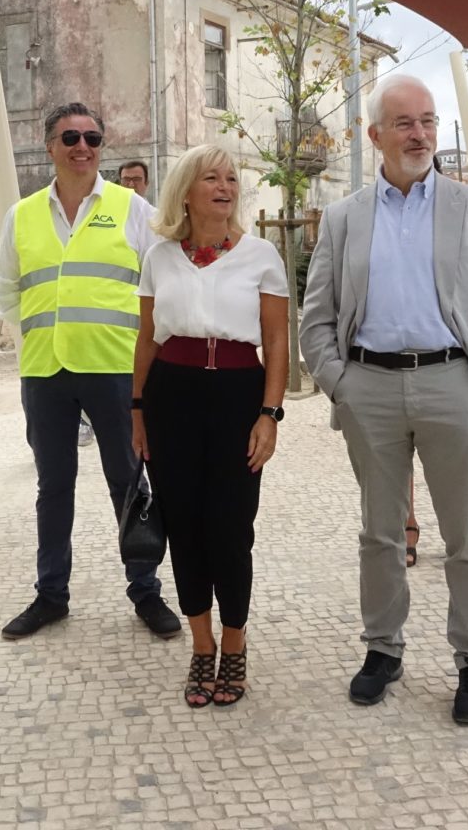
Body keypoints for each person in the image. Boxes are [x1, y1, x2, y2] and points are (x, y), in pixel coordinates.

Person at [301, 74, 468, 726]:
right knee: (378, 533)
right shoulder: (342, 219)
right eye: (405, 123)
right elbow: (318, 317)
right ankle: (382, 648)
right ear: (374, 137)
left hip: (453, 383)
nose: (420, 134)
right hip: (367, 388)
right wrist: (339, 382)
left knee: (466, 536)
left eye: (427, 120)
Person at [0, 102, 179, 641]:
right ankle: (51, 594)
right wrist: (34, 335)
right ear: (48, 144)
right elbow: (9, 291)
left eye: (93, 138)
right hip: (45, 370)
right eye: (70, 137)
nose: (82, 147)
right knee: (53, 487)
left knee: (128, 482)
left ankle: (145, 591)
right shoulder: (21, 215)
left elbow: (158, 290)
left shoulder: (134, 209)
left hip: (115, 368)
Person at [130, 145, 287, 707]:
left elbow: (275, 341)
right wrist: (138, 408)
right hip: (172, 397)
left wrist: (270, 414)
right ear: (186, 191)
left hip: (238, 395)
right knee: (183, 527)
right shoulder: (160, 257)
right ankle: (201, 647)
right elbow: (148, 338)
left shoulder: (261, 255)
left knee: (231, 527)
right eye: (211, 178)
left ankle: (235, 641)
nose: (225, 187)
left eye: (230, 178)